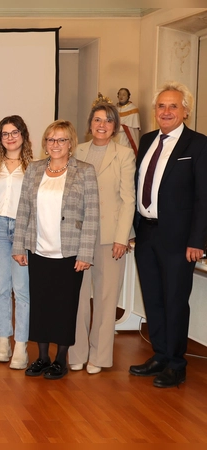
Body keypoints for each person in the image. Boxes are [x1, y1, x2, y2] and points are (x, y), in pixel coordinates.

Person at [130, 82, 207, 388]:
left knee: (175, 300)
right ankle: (160, 354)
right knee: (154, 299)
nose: (166, 112)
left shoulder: (198, 145)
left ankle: (176, 363)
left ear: (185, 111)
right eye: (161, 106)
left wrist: (197, 241)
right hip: (146, 235)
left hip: (178, 240)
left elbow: (204, 197)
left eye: (173, 106)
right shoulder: (148, 140)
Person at [12, 120, 99, 380]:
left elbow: (92, 215)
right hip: (38, 250)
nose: (55, 144)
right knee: (40, 305)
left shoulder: (84, 171)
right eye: (51, 139)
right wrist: (19, 245)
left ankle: (60, 360)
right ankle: (42, 357)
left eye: (61, 140)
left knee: (64, 307)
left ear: (70, 143)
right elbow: (23, 210)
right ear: (45, 143)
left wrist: (85, 253)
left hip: (69, 253)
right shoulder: (35, 170)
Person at [70, 102, 136, 375]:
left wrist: (122, 237)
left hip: (111, 238)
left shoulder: (124, 154)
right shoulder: (77, 151)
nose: (102, 125)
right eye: (97, 119)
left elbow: (128, 199)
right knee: (78, 297)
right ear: (90, 124)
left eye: (108, 121)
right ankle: (77, 352)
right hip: (77, 236)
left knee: (107, 300)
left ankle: (99, 356)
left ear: (115, 126)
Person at [0, 116, 34, 370]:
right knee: (1, 289)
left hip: (21, 230)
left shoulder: (34, 166)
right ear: (0, 139)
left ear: (23, 135)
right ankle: (3, 341)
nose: (10, 137)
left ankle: (21, 345)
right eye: (5, 133)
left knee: (22, 290)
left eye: (14, 132)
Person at [116, 88, 140, 154]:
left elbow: (132, 128)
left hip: (126, 138)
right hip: (115, 138)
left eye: (124, 95)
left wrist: (117, 128)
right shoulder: (115, 109)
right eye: (120, 94)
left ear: (128, 97)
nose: (121, 96)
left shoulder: (133, 109)